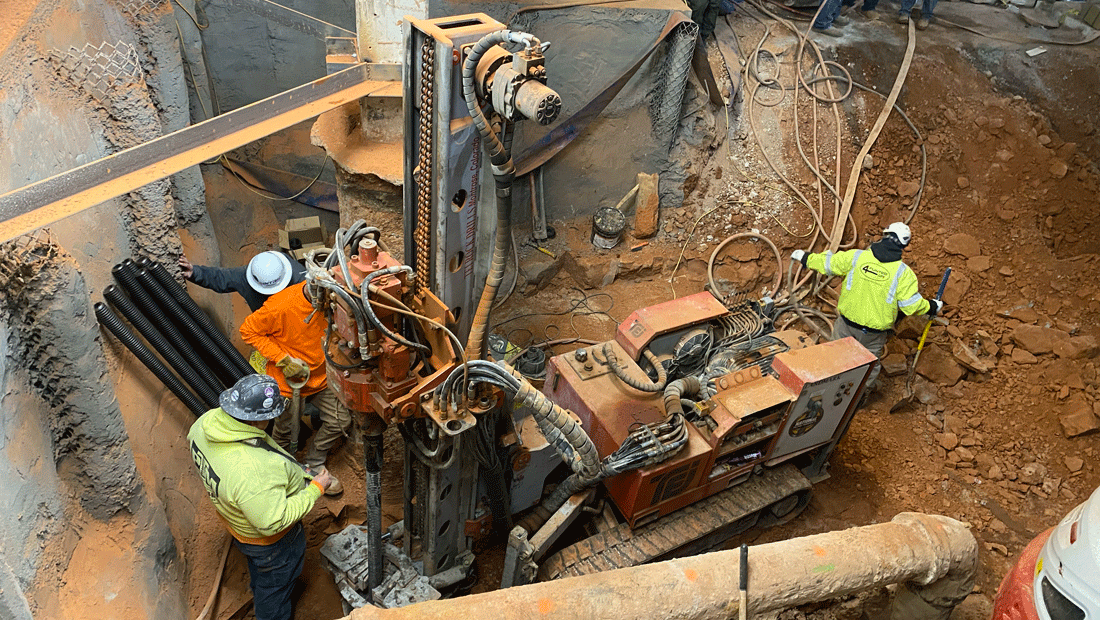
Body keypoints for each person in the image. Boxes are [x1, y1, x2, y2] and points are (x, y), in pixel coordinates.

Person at [188, 374, 334, 620]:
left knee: (263, 574)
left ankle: (264, 588)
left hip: (239, 526)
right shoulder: (253, 471)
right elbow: (273, 522)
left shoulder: (205, 424)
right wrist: (316, 489)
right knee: (275, 587)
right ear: (260, 420)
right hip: (273, 544)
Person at [790, 222, 943, 391]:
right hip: (873, 335)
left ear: (884, 235)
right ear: (904, 245)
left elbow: (829, 264)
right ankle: (856, 397)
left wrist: (806, 258)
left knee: (833, 358)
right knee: (868, 368)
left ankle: (826, 391)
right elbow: (911, 306)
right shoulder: (903, 273)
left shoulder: (857, 257)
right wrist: (931, 306)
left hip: (846, 326)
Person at [240, 280, 350, 494]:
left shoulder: (337, 301)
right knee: (286, 430)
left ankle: (314, 461)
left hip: (321, 377)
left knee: (340, 421)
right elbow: (248, 331)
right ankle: (284, 470)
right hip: (289, 383)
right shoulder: (281, 306)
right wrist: (283, 360)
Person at [179, 250, 305, 312]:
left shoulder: (302, 280)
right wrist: (195, 272)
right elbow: (221, 278)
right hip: (269, 326)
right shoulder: (245, 277)